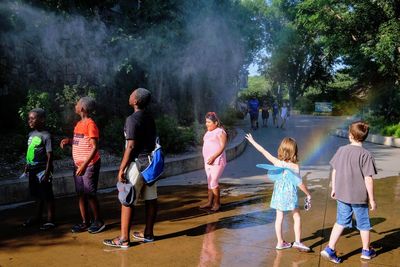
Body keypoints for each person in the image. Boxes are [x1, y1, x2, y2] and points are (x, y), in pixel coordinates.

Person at [103, 88, 157, 248]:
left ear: (136, 101)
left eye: (132, 93)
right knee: (151, 199)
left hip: (137, 164)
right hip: (150, 164)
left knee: (127, 200)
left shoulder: (132, 119)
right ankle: (148, 234)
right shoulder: (149, 117)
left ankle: (124, 239)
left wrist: (121, 168)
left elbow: (131, 145)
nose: (130, 94)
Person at [321, 121, 377, 264]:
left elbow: (335, 170)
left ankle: (330, 248)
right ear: (364, 137)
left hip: (343, 195)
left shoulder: (342, 150)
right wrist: (372, 199)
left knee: (340, 221)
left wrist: (334, 188)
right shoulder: (366, 154)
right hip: (359, 197)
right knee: (364, 224)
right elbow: (368, 178)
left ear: (350, 135)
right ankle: (366, 251)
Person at [245, 133, 311, 251]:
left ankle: (280, 242)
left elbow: (263, 151)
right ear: (294, 151)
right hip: (290, 195)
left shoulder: (277, 162)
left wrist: (252, 141)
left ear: (281, 149)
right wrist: (308, 193)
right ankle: (297, 242)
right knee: (296, 216)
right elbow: (298, 182)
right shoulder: (295, 166)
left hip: (278, 195)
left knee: (279, 218)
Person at [60, 97, 105, 234]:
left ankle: (98, 221)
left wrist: (84, 165)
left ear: (83, 109)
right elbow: (80, 140)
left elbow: (94, 147)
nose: (76, 104)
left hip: (89, 165)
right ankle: (85, 222)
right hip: (79, 165)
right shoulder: (79, 123)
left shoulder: (90, 124)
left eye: (78, 103)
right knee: (80, 194)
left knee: (90, 194)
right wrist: (69, 141)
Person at [22, 108, 55, 230]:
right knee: (37, 194)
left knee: (47, 195)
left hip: (43, 170)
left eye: (32, 118)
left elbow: (50, 156)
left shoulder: (46, 136)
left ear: (42, 120)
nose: (29, 121)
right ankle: (37, 217)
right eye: (29, 118)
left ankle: (50, 220)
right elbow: (30, 151)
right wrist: (27, 166)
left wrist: (47, 173)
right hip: (32, 170)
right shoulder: (31, 134)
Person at [199, 112, 227, 212]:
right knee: (209, 181)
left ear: (215, 122)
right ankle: (209, 202)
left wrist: (214, 157)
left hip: (217, 161)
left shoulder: (220, 132)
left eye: (209, 122)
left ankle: (217, 203)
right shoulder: (207, 132)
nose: (207, 124)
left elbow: (223, 146)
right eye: (206, 122)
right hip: (208, 161)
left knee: (214, 181)